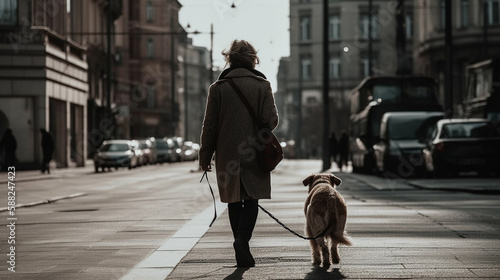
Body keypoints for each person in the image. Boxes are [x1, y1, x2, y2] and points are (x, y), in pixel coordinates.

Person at [199, 39, 279, 267]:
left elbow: (210, 127)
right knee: (251, 198)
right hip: (255, 150)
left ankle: (238, 243)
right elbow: (271, 121)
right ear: (253, 59)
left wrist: (205, 158)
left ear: (230, 59)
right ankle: (243, 240)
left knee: (234, 201)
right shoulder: (262, 85)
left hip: (227, 154)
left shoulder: (218, 88)